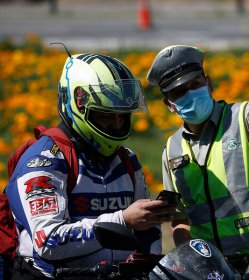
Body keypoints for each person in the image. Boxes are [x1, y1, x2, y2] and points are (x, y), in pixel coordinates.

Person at [4, 52, 175, 279]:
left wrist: (146, 261)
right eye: (106, 115)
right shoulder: (43, 161)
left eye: (122, 115)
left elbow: (148, 230)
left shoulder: (127, 160)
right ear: (78, 104)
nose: (116, 124)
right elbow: (48, 241)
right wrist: (122, 219)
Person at [146, 44, 249, 279]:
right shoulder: (171, 149)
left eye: (195, 85)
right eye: (179, 92)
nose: (190, 94)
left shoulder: (244, 118)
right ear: (169, 104)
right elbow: (180, 219)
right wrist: (191, 262)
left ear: (209, 83)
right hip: (215, 270)